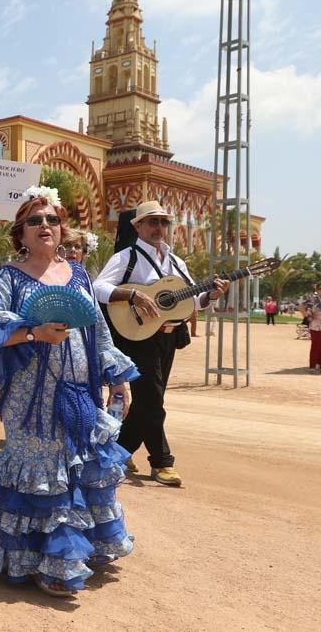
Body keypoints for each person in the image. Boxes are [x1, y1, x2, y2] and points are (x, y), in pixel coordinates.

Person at [0, 190, 137, 597]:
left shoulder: (79, 274)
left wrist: (118, 377)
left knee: (79, 465)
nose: (44, 225)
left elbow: (98, 332)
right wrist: (33, 332)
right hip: (31, 399)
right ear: (20, 235)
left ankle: (81, 548)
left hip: (81, 390)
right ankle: (46, 562)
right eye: (34, 221)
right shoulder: (9, 277)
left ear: (61, 228)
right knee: (44, 473)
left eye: (51, 219)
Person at [94, 201, 229, 486]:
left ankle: (119, 450)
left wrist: (211, 296)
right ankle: (162, 462)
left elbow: (193, 300)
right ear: (138, 226)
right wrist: (133, 295)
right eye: (152, 221)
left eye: (162, 222)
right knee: (152, 400)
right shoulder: (126, 257)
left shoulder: (176, 262)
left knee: (147, 401)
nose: (158, 227)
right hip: (138, 336)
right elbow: (98, 288)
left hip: (168, 337)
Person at [304, 283, 321, 373]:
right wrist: (309, 317)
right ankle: (313, 366)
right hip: (316, 326)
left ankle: (319, 364)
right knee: (315, 346)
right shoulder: (313, 301)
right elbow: (308, 313)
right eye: (320, 289)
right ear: (317, 290)